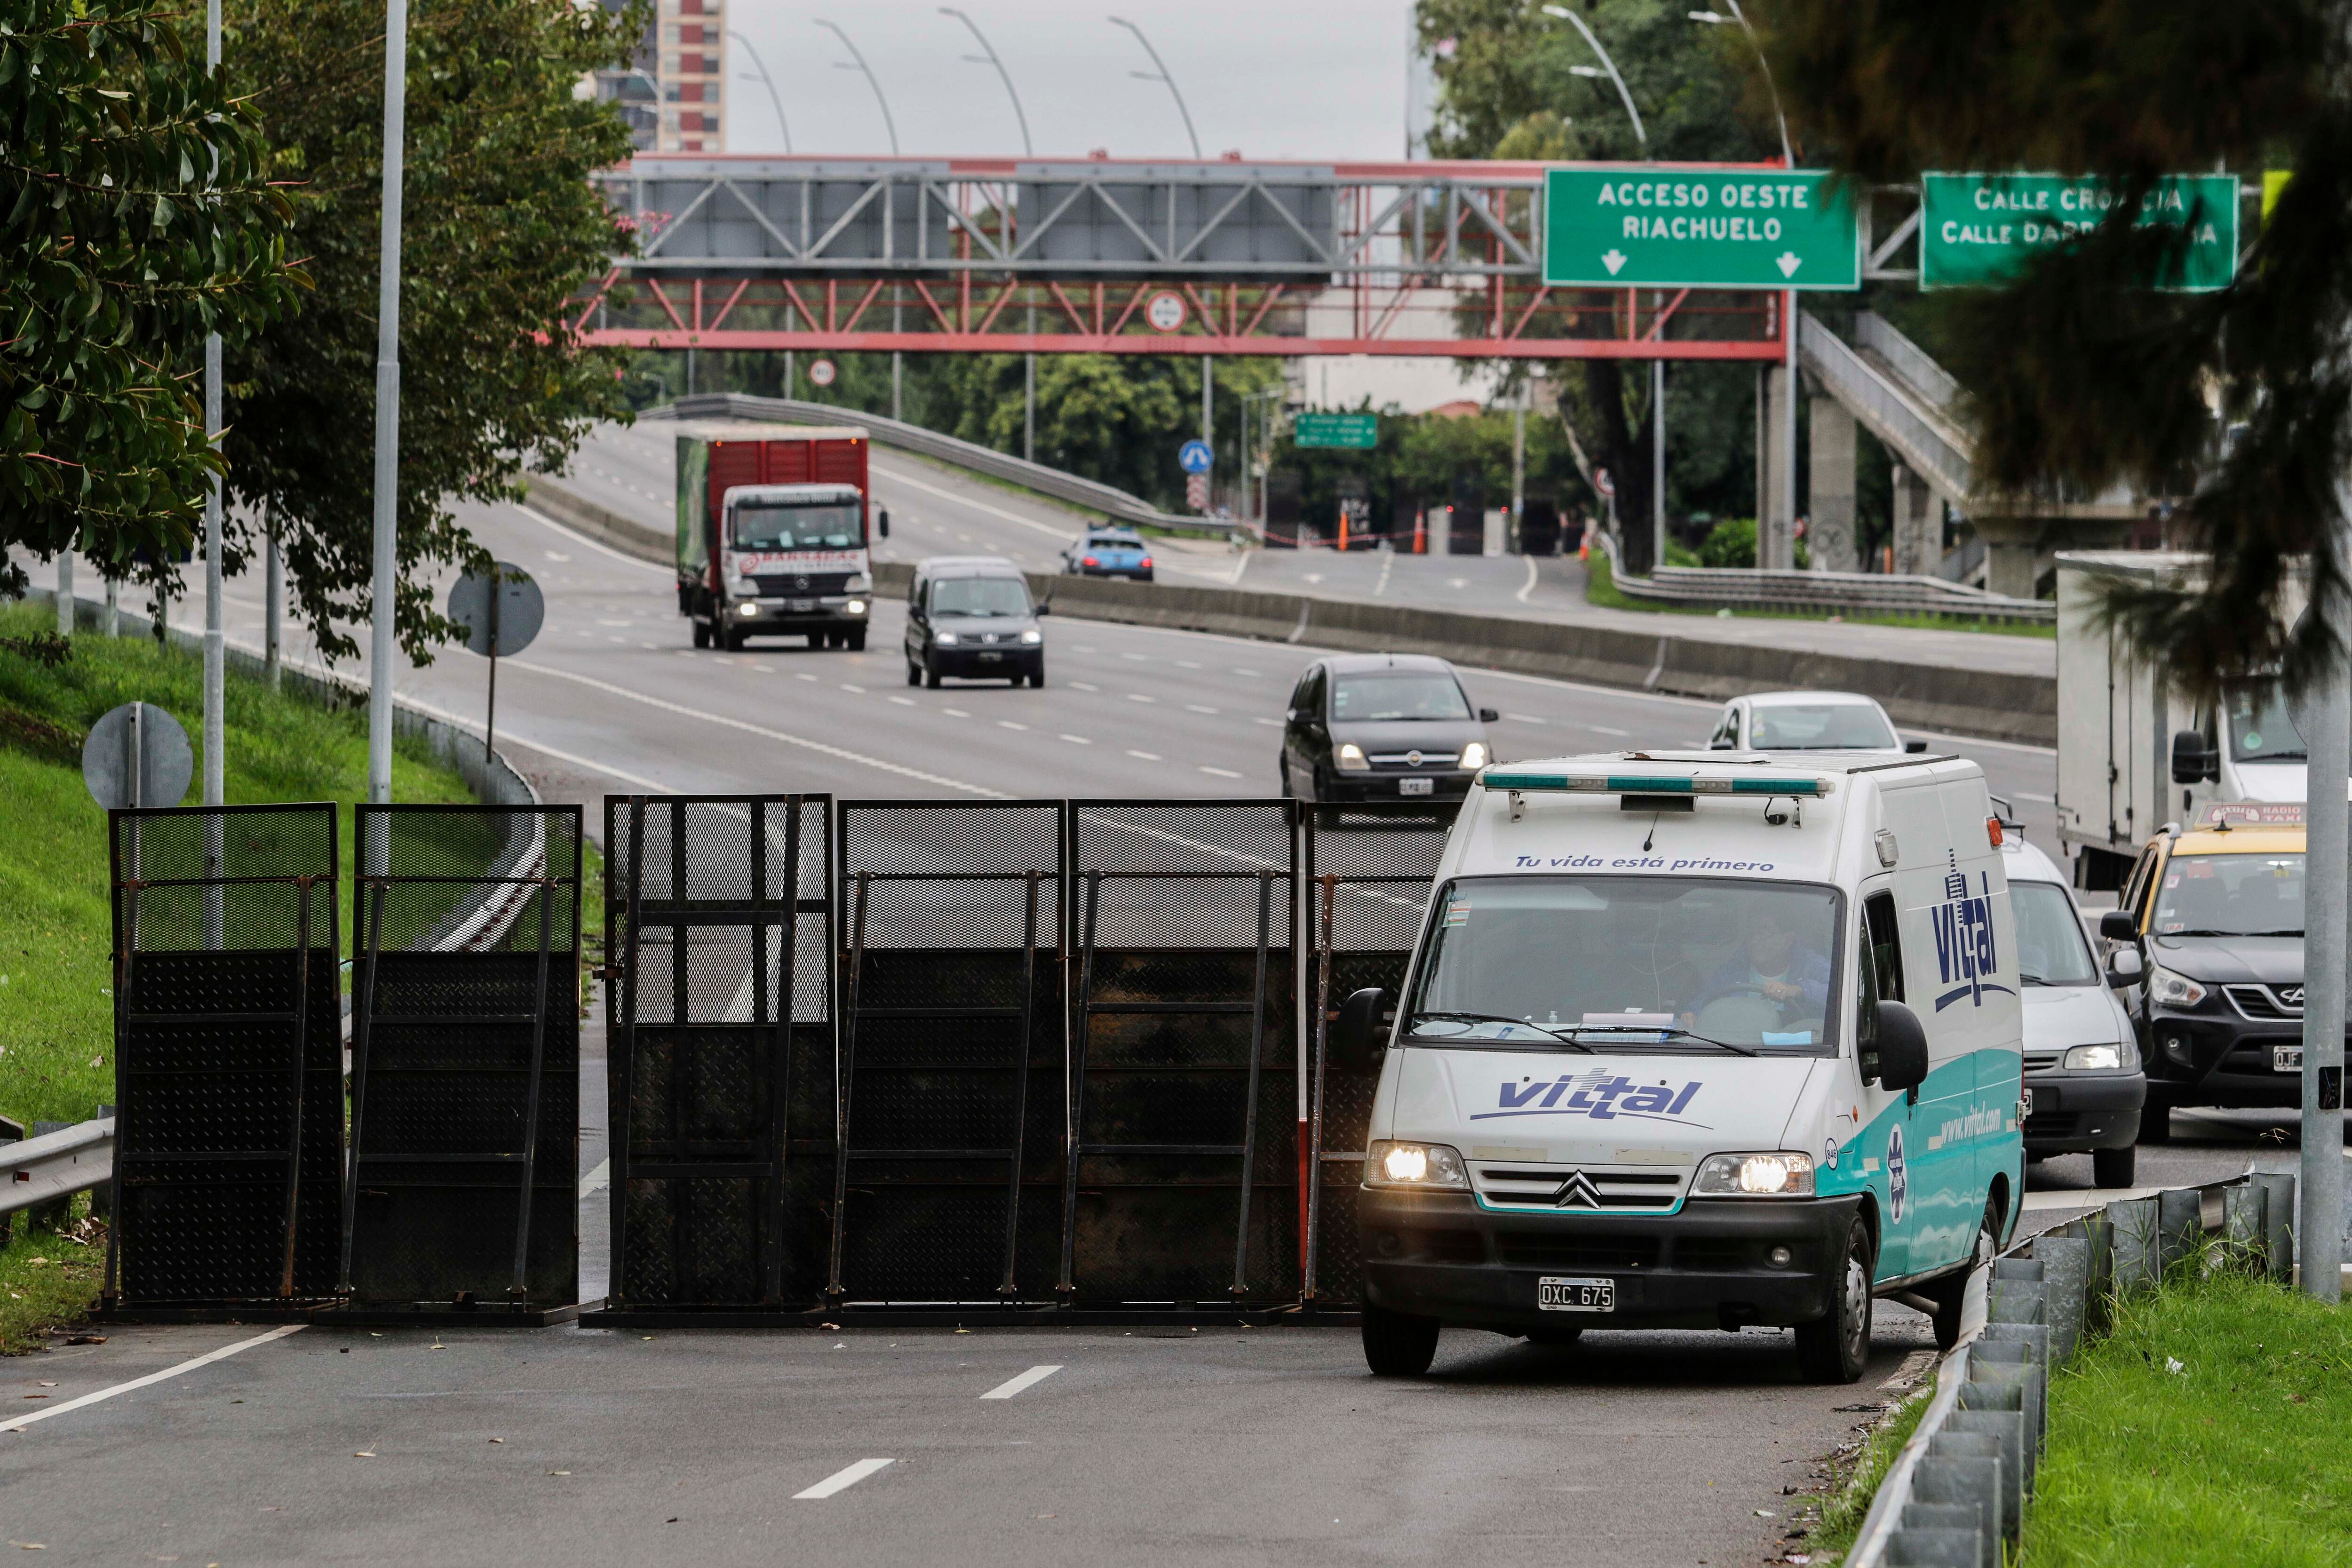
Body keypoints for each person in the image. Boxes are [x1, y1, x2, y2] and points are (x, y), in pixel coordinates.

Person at [1684, 917, 1832, 1024]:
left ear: (1789, 940)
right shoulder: (1733, 970)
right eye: (1752, 934)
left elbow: (1840, 996)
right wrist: (1692, 1015)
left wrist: (1800, 990)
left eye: (1765, 935)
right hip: (1739, 1048)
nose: (1755, 941)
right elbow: (1702, 1002)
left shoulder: (1812, 965)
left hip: (1800, 1051)